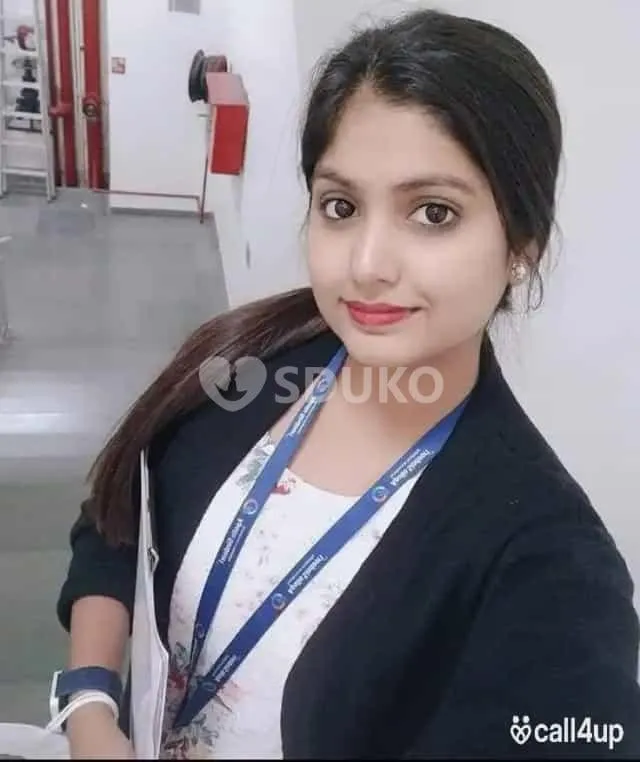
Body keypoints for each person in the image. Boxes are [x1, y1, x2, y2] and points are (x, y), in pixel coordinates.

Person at [54, 7, 640, 760]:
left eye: (433, 213)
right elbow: (116, 525)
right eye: (341, 206)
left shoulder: (551, 567)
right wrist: (91, 703)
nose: (366, 264)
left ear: (521, 244)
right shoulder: (244, 369)